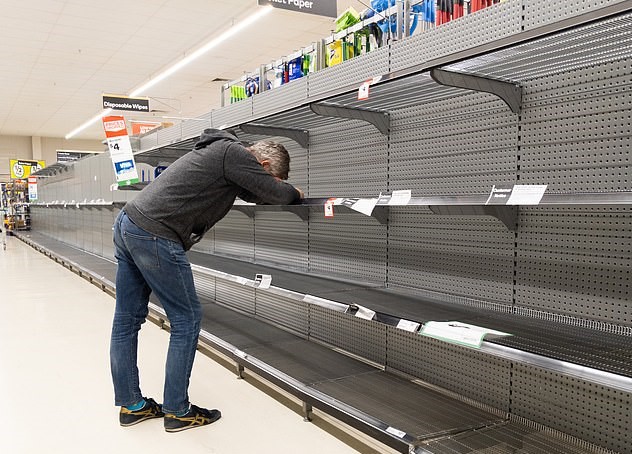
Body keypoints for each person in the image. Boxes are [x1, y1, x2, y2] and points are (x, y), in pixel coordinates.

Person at [110, 128, 303, 432]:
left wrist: (274, 188)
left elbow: (259, 194)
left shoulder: (223, 158)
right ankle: (178, 410)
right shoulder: (233, 154)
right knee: (186, 319)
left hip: (129, 223)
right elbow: (279, 194)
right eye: (270, 177)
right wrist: (293, 191)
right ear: (263, 166)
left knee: (126, 320)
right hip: (154, 233)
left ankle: (132, 406)